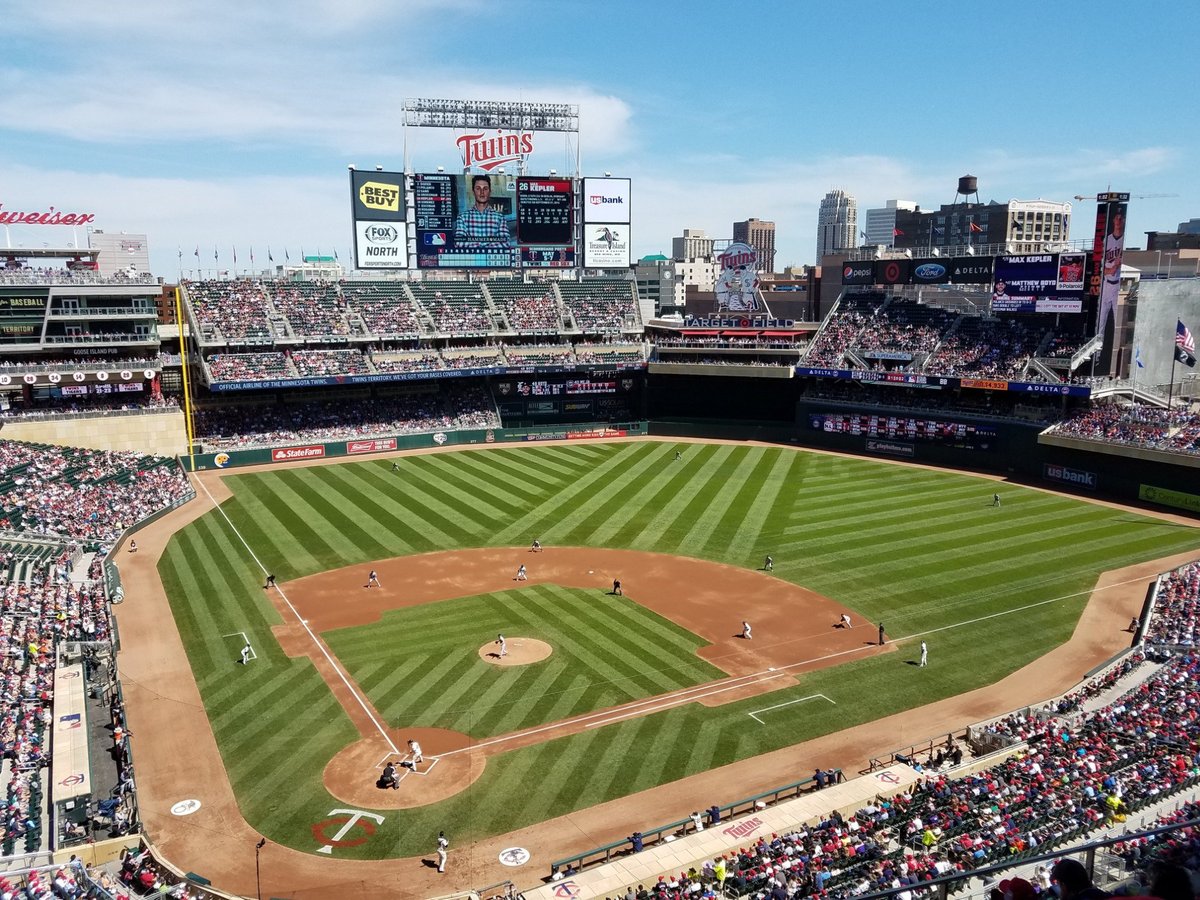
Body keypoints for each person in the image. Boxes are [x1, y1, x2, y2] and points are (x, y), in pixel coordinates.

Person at [454, 175, 511, 248]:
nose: (482, 192)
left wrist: (479, 248)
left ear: (490, 191)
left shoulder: (500, 217)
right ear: (473, 191)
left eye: (485, 188)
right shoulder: (462, 217)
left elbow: (505, 242)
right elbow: (459, 242)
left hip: (492, 259)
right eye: (478, 188)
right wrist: (485, 248)